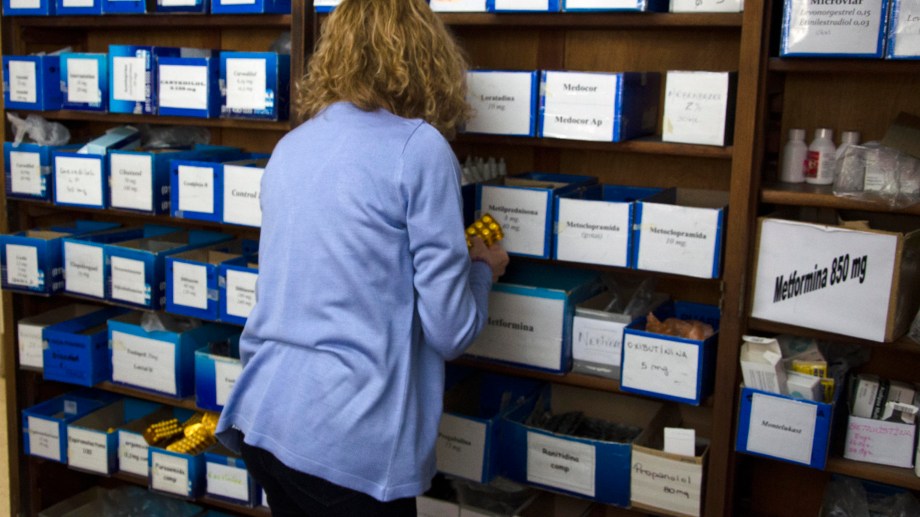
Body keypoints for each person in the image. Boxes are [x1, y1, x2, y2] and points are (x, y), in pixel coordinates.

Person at [214, 0, 510, 515]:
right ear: (428, 56)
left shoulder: (292, 147)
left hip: (264, 416)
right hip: (348, 445)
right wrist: (482, 270)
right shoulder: (420, 149)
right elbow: (450, 331)